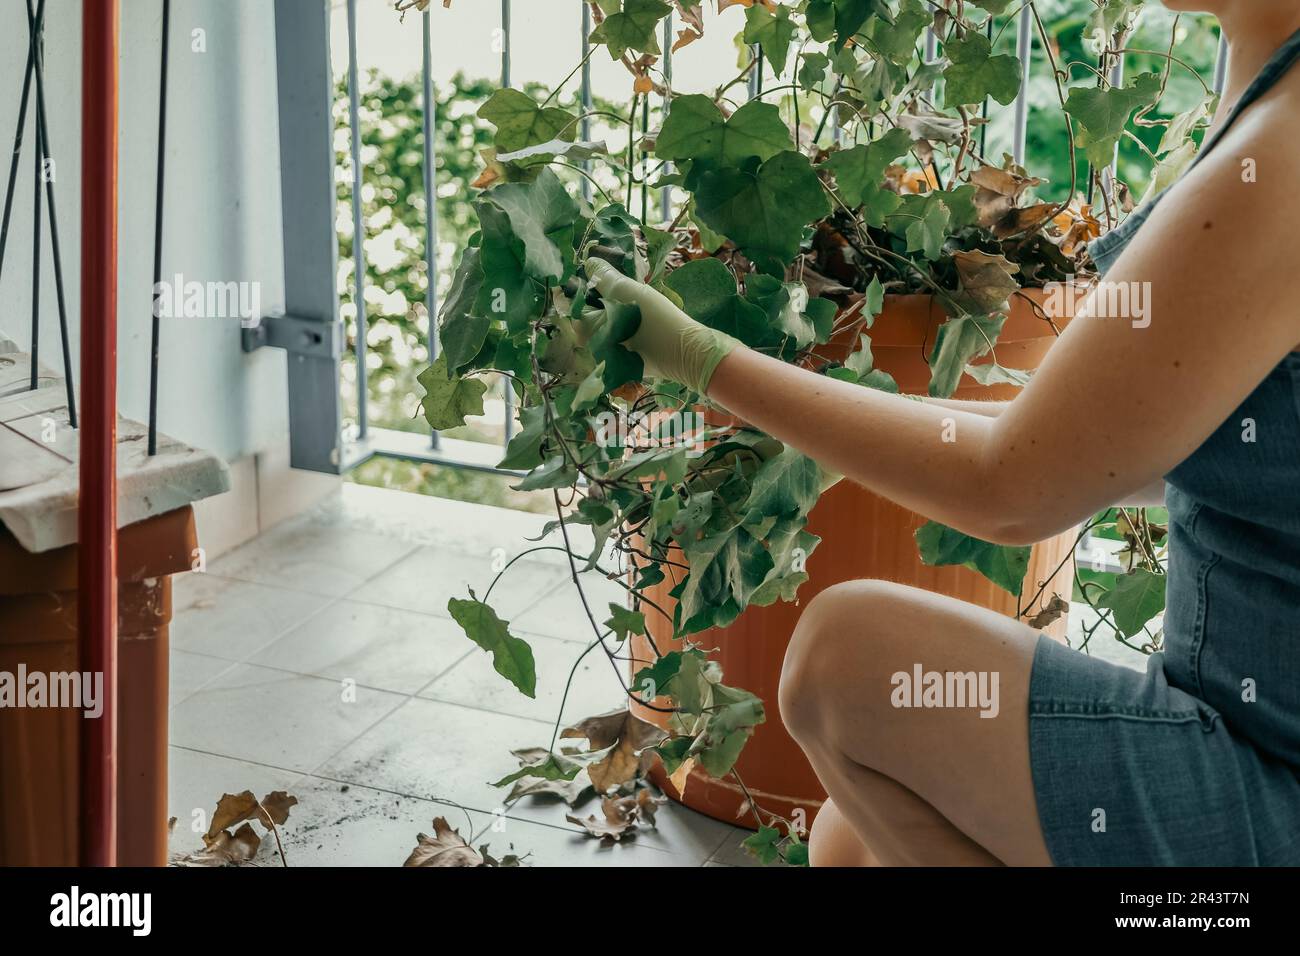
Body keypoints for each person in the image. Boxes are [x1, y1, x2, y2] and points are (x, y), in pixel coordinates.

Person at [584, 0, 1300, 866]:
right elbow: (1128, 446)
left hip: (1271, 777)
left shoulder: (1283, 152)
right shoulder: (1262, 75)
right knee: (846, 842)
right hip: (1232, 720)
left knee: (844, 661)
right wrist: (807, 426)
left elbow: (1013, 484)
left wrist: (699, 357)